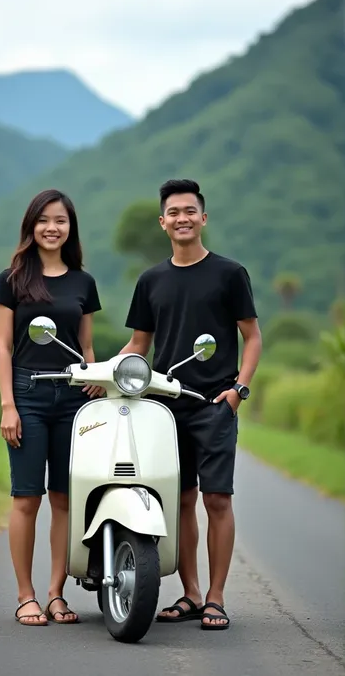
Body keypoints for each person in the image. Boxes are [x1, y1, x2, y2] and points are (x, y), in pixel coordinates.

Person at [119, 178, 262, 630]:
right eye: (173, 213)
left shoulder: (229, 273)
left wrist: (238, 390)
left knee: (217, 500)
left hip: (216, 403)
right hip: (165, 406)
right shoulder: (151, 280)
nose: (182, 218)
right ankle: (191, 594)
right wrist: (102, 372)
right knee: (179, 501)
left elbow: (252, 336)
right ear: (163, 223)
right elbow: (139, 345)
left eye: (189, 211)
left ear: (203, 217)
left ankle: (216, 598)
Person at [0, 188, 103, 626]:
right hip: (28, 394)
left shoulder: (83, 282)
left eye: (60, 220)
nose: (52, 227)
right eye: (44, 220)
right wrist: (8, 405)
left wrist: (95, 383)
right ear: (31, 226)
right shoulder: (12, 278)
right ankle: (25, 595)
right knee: (26, 498)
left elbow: (87, 346)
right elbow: (2, 348)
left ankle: (56, 594)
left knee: (64, 498)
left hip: (74, 396)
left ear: (70, 227)